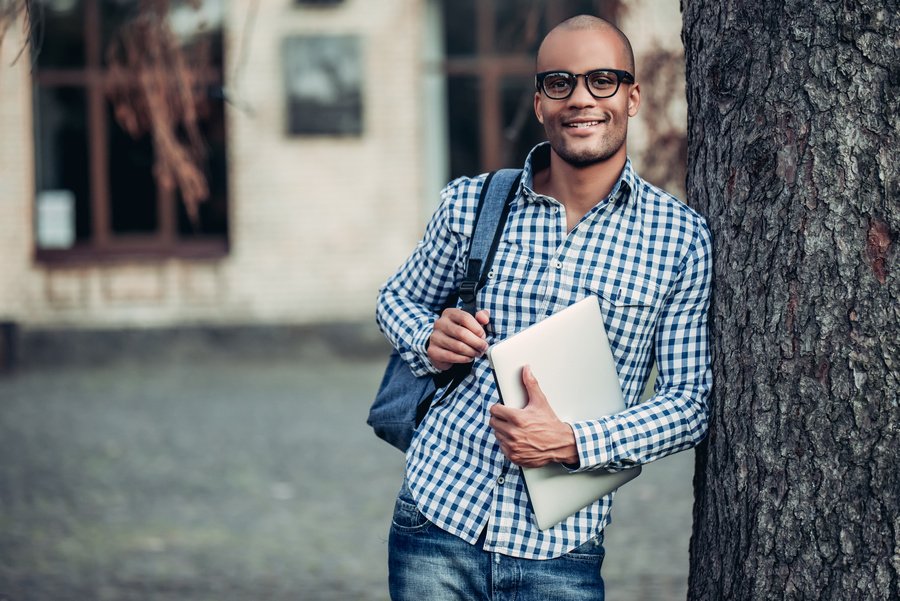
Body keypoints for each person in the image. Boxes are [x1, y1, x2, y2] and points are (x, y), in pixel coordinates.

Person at [376, 14, 712, 601]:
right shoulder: (471, 204)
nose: (581, 98)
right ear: (539, 102)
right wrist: (427, 336)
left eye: (602, 80)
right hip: (434, 522)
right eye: (560, 82)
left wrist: (574, 443)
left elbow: (688, 404)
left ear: (632, 97)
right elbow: (395, 299)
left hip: (561, 549)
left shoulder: (680, 240)